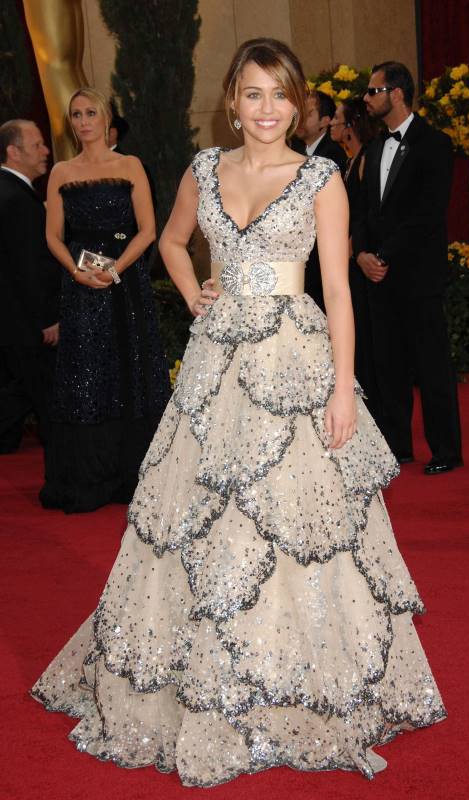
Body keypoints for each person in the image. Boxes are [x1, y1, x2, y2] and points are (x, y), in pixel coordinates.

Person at [32, 41, 446, 785]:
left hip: (294, 360)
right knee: (202, 512)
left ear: (298, 102)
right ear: (232, 101)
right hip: (218, 364)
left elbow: (338, 291)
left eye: (280, 95)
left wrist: (343, 389)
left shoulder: (320, 177)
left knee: (297, 519)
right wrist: (195, 291)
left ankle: (299, 674)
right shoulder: (204, 169)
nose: (267, 109)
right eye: (253, 94)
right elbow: (172, 242)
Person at [39, 87, 169, 513]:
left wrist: (115, 270)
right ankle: (90, 474)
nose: (83, 122)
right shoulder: (61, 172)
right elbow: (52, 236)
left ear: (106, 117)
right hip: (80, 288)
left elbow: (147, 230)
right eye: (76, 114)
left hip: (125, 284)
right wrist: (76, 272)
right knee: (87, 373)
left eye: (91, 113)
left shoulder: (130, 165)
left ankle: (134, 472)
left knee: (130, 368)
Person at [353, 61, 462, 473]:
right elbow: (364, 210)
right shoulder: (374, 148)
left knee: (431, 366)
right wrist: (362, 254)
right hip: (378, 277)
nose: (366, 98)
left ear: (396, 93)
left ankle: (446, 451)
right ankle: (397, 446)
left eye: (373, 90)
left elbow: (427, 214)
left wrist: (383, 255)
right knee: (388, 367)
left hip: (417, 275)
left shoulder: (435, 143)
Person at [0, 120, 60, 453]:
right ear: (13, 151)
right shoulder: (18, 200)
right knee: (36, 389)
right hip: (24, 320)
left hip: (11, 318)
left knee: (21, 388)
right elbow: (30, 268)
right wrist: (47, 318)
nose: (46, 151)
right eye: (37, 145)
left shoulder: (11, 192)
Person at [329, 97, 379, 413]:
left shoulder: (366, 158)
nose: (332, 123)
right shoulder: (350, 161)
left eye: (337, 118)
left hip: (360, 260)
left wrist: (357, 246)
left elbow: (368, 212)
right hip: (348, 259)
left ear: (351, 126)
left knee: (366, 338)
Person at [293, 90, 348, 309]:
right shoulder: (293, 148)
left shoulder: (333, 156)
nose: (300, 119)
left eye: (308, 114)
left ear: (325, 121)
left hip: (321, 254)